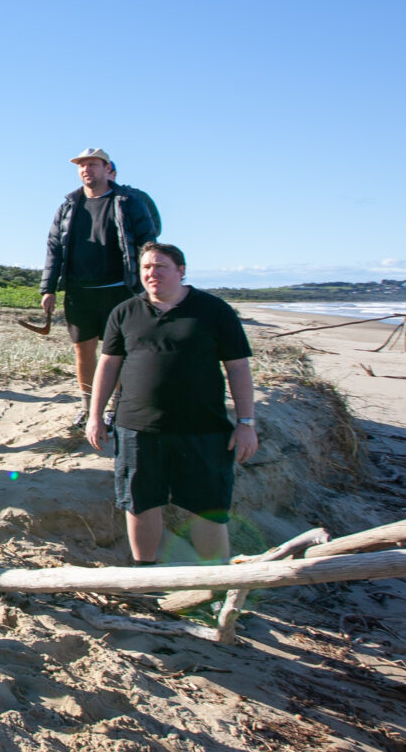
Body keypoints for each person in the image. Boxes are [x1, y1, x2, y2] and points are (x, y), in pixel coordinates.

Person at [83, 242, 256, 566]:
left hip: (203, 428)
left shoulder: (214, 310)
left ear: (181, 270)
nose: (152, 273)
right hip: (137, 427)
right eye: (146, 267)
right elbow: (108, 365)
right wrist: (95, 415)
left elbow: (238, 368)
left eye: (160, 266)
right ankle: (146, 575)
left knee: (207, 507)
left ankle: (217, 580)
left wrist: (246, 423)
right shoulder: (125, 312)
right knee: (140, 503)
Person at [40, 148, 163, 402]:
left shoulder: (128, 202)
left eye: (93, 164)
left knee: (115, 351)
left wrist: (149, 283)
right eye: (82, 165)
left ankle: (114, 405)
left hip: (118, 289)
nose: (86, 169)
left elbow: (147, 243)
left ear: (107, 169)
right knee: (82, 349)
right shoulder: (69, 206)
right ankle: (88, 405)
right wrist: (48, 289)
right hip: (78, 291)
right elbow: (54, 248)